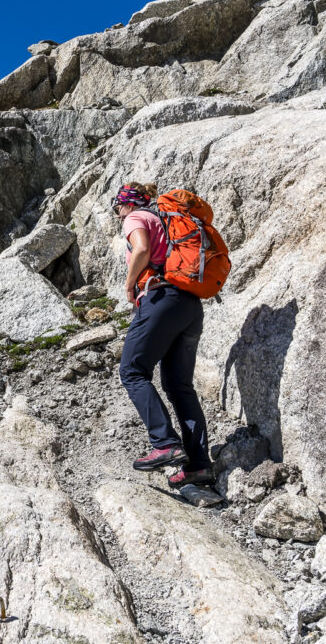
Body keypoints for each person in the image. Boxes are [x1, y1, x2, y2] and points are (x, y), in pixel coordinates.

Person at [112, 182, 213, 488]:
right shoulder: (166, 220)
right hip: (189, 306)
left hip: (160, 301)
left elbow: (141, 248)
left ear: (127, 204)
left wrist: (129, 285)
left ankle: (165, 443)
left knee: (131, 371)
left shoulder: (136, 217)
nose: (118, 216)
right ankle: (199, 466)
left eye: (117, 209)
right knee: (179, 386)